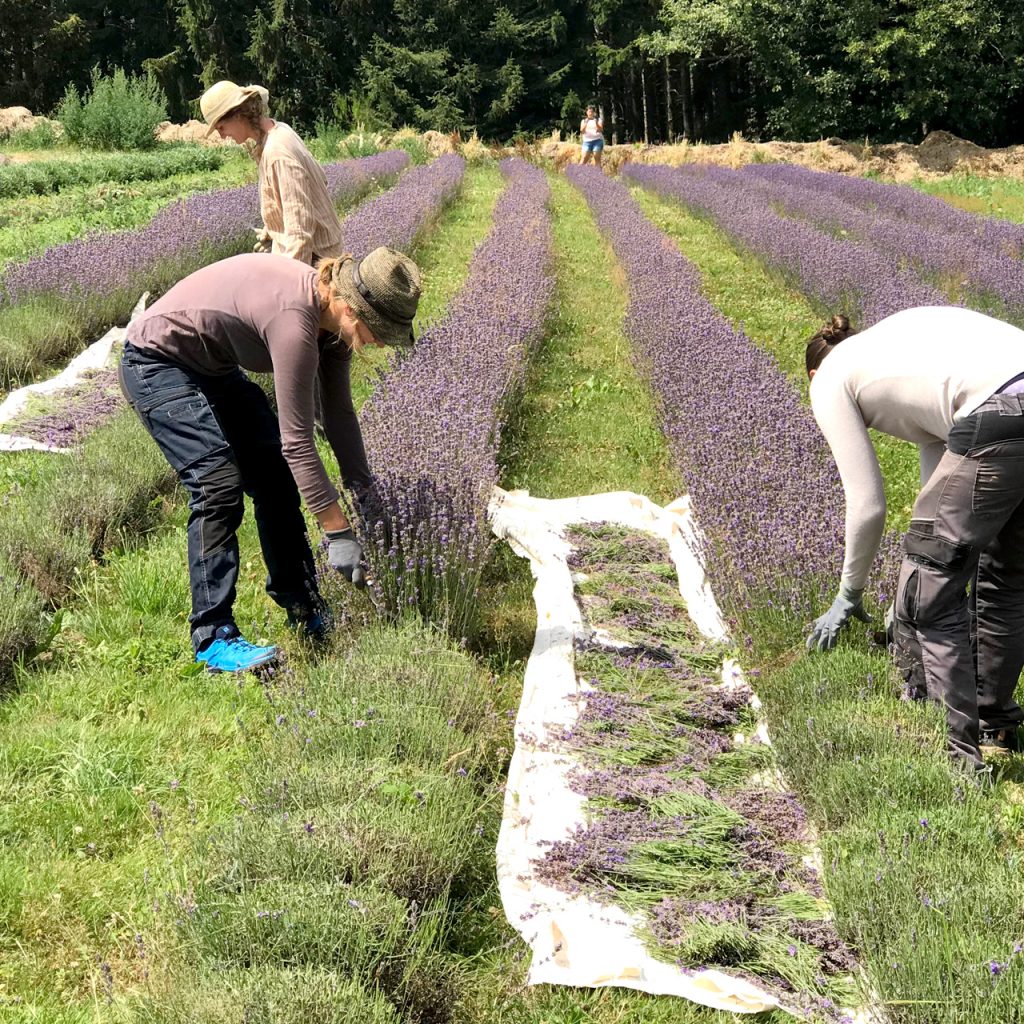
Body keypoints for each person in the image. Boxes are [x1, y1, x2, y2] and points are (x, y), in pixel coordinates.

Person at [119, 247, 421, 673]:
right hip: (156, 361)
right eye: (380, 333)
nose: (378, 344)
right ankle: (212, 637)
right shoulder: (295, 322)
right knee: (216, 484)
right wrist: (338, 535)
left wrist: (364, 495)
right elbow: (297, 440)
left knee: (275, 480)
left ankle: (304, 606)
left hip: (212, 367)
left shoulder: (331, 323)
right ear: (353, 310)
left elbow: (337, 414)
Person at [804, 306, 1024, 769]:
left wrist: (849, 594)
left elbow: (867, 506)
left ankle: (959, 757)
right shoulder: (898, 355)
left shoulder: (827, 379)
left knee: (932, 596)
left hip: (1001, 412)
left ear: (812, 371)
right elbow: (937, 499)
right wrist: (923, 563)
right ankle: (993, 724)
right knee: (1006, 579)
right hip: (1008, 396)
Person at [200, 80, 344, 265]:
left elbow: (299, 235)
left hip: (316, 266)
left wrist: (290, 288)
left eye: (221, 127)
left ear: (238, 114)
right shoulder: (280, 130)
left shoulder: (277, 153)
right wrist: (274, 229)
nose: (222, 136)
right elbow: (317, 183)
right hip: (320, 256)